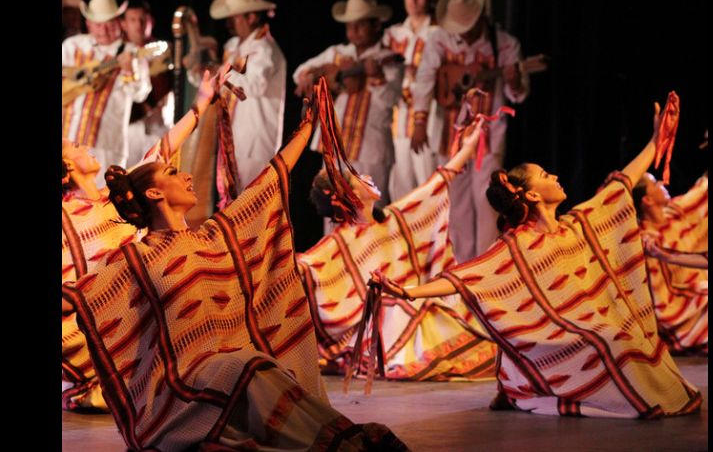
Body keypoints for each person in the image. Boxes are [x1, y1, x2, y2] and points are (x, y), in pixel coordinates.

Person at [62, 98, 410, 450]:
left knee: (258, 365)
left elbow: (268, 183)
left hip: (232, 369)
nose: (186, 176)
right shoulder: (137, 258)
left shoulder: (215, 237)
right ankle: (338, 444)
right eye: (172, 173)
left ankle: (339, 437)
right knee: (246, 365)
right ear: (153, 193)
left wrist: (307, 129)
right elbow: (81, 297)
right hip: (180, 387)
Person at [371, 93, 703, 418]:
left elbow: (622, 184)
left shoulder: (577, 225)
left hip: (585, 327)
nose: (555, 176)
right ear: (531, 195)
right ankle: (592, 392)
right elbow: (464, 279)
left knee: (634, 343)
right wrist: (407, 292)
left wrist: (656, 140)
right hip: (554, 339)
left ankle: (639, 394)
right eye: (545, 176)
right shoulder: (517, 244)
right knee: (609, 343)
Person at [62, 68, 230, 411]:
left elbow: (160, 154)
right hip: (91, 324)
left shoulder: (118, 200)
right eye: (76, 146)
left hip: (137, 318)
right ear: (66, 165)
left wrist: (202, 101)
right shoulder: (65, 217)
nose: (86, 146)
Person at [299, 119, 496, 381]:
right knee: (399, 307)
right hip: (386, 324)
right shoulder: (339, 243)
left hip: (415, 308)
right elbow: (306, 267)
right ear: (349, 195)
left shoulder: (395, 219)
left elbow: (438, 183)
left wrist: (469, 146)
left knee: (433, 313)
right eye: (359, 178)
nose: (368, 177)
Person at [412, 0, 530, 263]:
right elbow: (425, 78)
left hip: (488, 137)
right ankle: (461, 266)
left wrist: (514, 81)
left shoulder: (504, 45)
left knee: (487, 203)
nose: (462, 33)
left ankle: (483, 266)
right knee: (456, 205)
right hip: (450, 136)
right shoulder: (439, 39)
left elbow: (517, 94)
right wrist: (419, 120)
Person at [294, 0, 401, 215]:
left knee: (368, 213)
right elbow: (299, 72)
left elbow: (391, 100)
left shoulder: (389, 58)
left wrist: (377, 77)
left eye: (361, 24)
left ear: (376, 25)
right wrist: (309, 76)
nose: (354, 30)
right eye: (350, 25)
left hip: (370, 150)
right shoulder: (337, 54)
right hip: (335, 146)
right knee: (332, 210)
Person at [62, 0, 152, 182]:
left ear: (118, 22)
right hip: (67, 140)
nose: (103, 30)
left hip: (105, 148)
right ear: (88, 23)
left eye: (109, 23)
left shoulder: (131, 52)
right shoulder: (72, 46)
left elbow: (141, 93)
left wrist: (130, 71)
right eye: (98, 24)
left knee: (100, 198)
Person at [209, 0, 287, 202]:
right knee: (232, 203)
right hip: (233, 137)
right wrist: (203, 71)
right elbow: (222, 84)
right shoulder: (234, 46)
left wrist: (219, 71)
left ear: (251, 17)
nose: (228, 23)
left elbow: (253, 86)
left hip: (255, 141)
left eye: (233, 17)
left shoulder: (265, 49)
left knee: (251, 205)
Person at [383, 0, 446, 202]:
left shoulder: (439, 33)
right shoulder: (393, 34)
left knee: (427, 185)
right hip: (398, 119)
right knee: (399, 188)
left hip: (427, 119)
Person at [633, 171, 708, 355]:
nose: (662, 183)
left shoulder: (676, 212)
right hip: (685, 308)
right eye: (655, 183)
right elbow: (662, 300)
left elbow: (701, 192)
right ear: (647, 200)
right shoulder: (644, 239)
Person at [120, 0, 175, 168]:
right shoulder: (117, 54)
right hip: (129, 131)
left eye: (142, 19)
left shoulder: (166, 51)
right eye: (133, 20)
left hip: (159, 128)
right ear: (124, 24)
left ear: (151, 21)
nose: (138, 25)